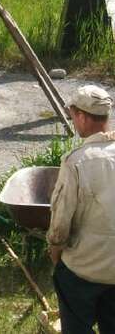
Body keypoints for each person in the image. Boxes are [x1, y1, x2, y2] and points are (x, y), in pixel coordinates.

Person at [47, 84, 115, 334]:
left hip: (83, 269)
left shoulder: (77, 161)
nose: (73, 121)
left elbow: (60, 223)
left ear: (83, 116)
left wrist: (56, 254)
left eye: (73, 115)